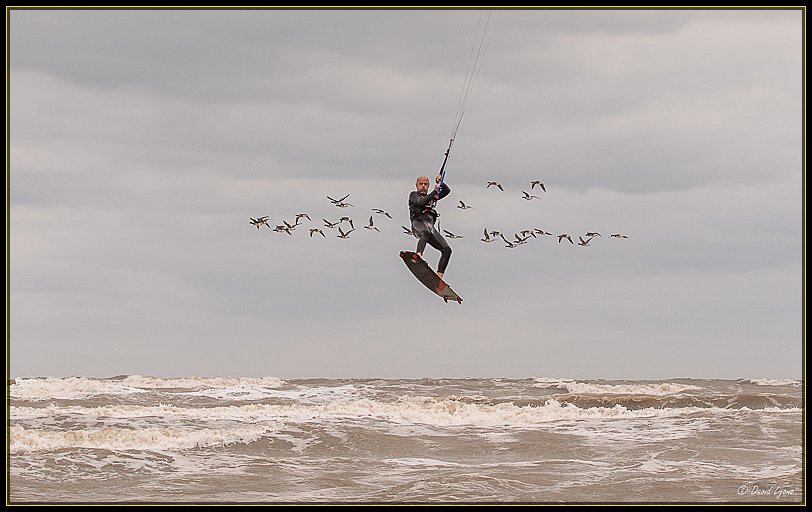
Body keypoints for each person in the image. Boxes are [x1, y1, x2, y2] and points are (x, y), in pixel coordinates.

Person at [409, 174, 452, 279]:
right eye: (421, 184)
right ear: (416, 185)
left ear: (428, 185)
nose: (423, 186)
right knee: (426, 233)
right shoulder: (414, 195)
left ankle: (439, 276)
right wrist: (434, 191)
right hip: (418, 224)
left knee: (447, 250)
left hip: (430, 227)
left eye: (425, 184)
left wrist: (440, 182)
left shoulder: (432, 198)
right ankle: (418, 255)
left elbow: (446, 191)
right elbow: (421, 202)